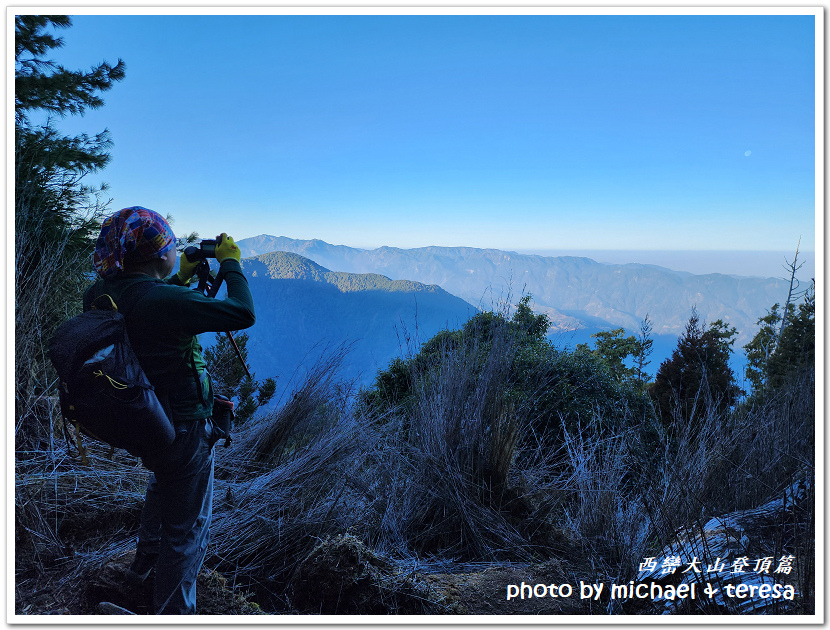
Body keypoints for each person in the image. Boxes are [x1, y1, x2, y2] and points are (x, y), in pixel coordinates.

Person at [83, 206, 255, 614]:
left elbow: (145, 308)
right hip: (185, 425)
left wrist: (177, 277)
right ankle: (174, 615)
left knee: (163, 483)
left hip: (145, 419)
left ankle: (140, 573)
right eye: (172, 245)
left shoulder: (102, 293)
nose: (178, 249)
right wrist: (231, 262)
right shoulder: (165, 300)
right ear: (157, 255)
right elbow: (243, 312)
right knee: (187, 531)